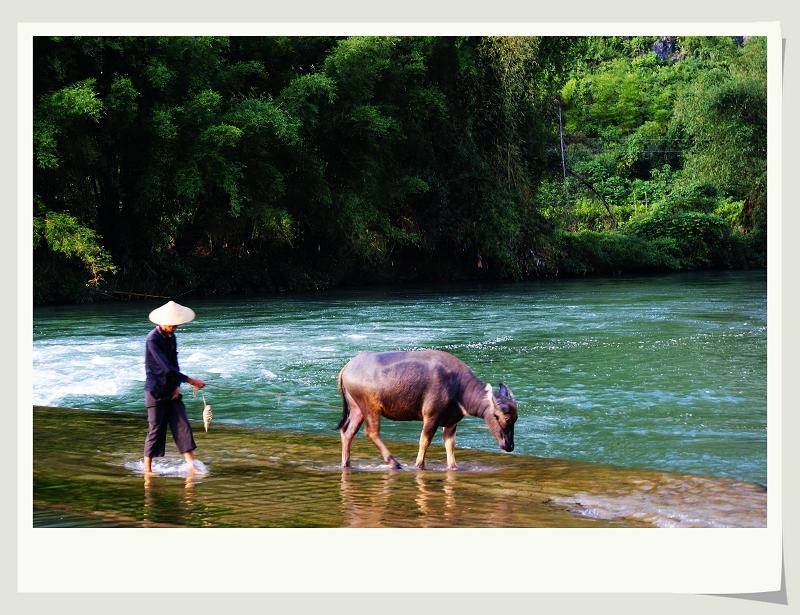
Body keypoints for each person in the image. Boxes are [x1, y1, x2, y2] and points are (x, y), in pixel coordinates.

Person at [143, 300, 206, 475]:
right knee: (155, 430)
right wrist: (190, 380)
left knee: (182, 425)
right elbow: (165, 368)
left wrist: (177, 386)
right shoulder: (152, 339)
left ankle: (191, 465)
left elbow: (175, 365)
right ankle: (147, 469)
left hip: (172, 390)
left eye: (176, 324)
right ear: (162, 322)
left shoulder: (172, 337)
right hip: (155, 391)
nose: (175, 327)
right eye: (172, 324)